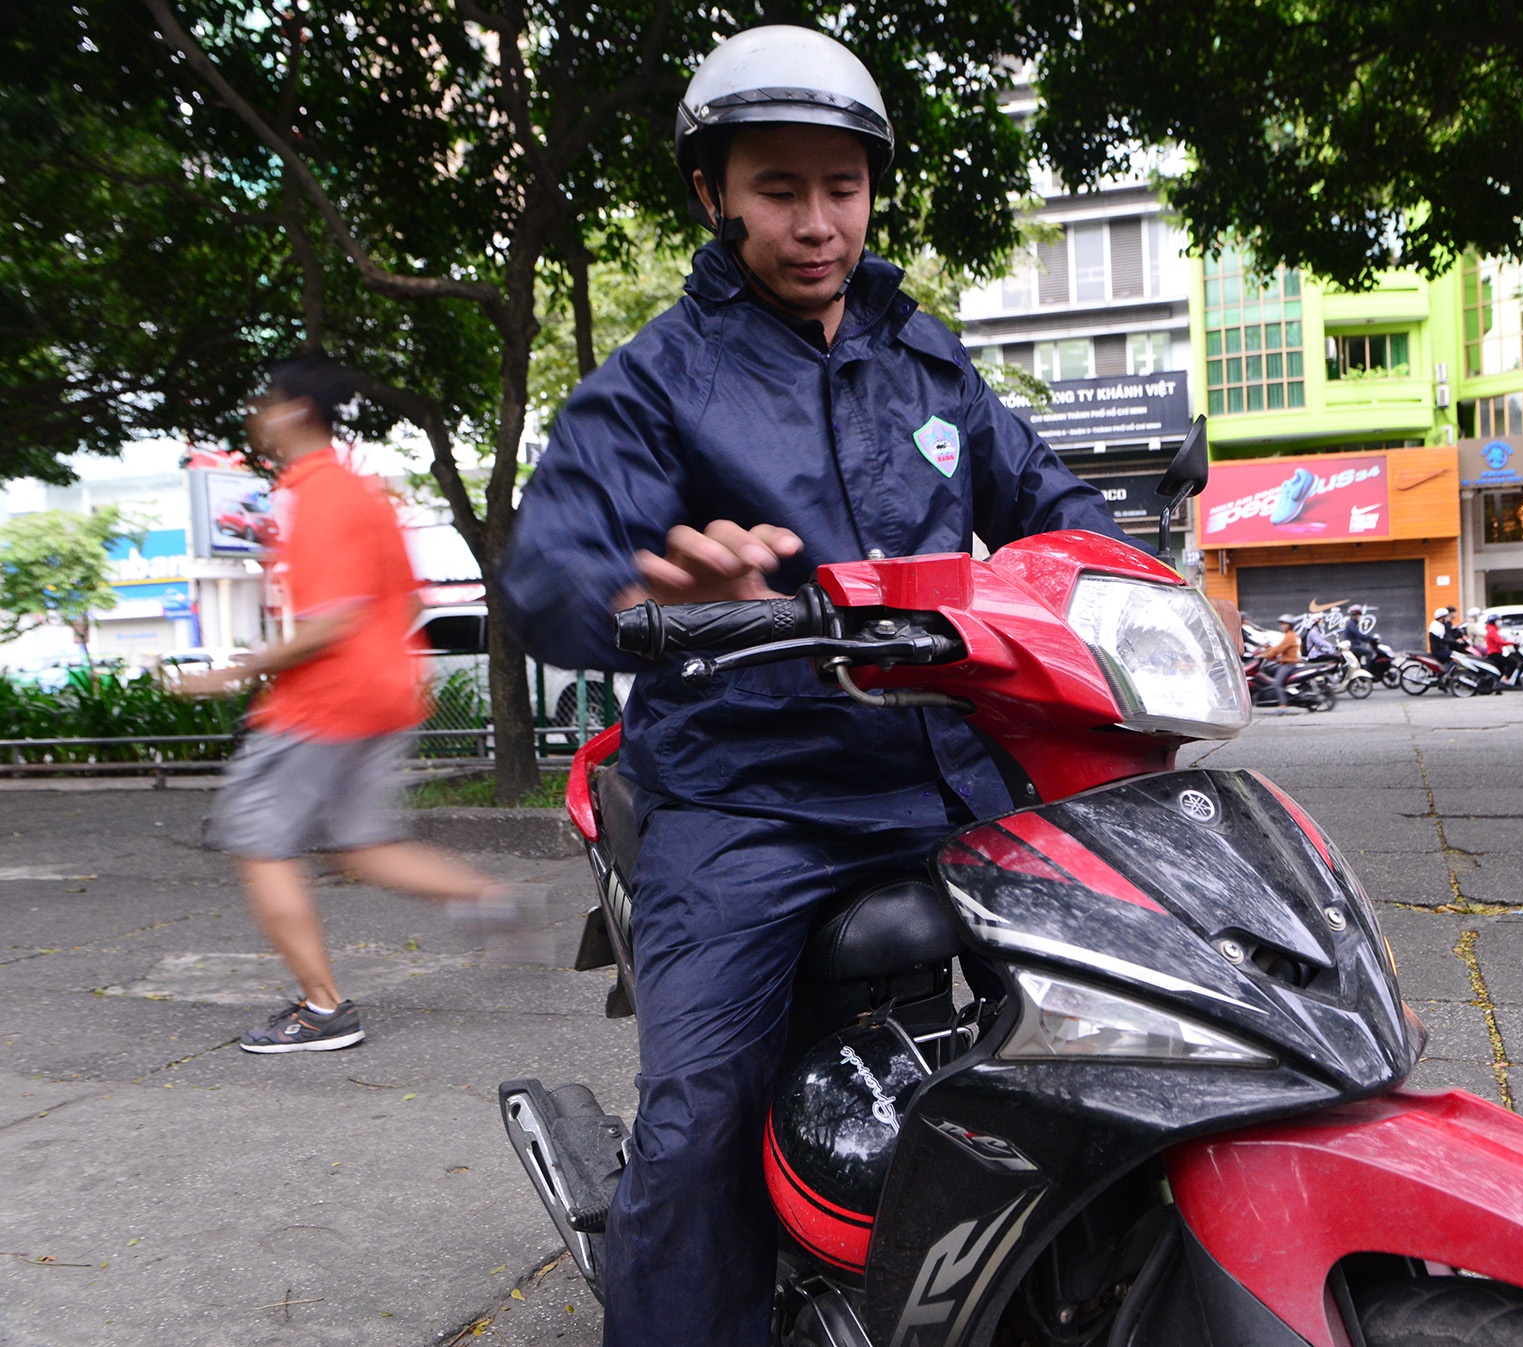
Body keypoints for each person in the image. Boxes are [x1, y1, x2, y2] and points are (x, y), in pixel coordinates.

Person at [493, 27, 1124, 1345]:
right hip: (748, 799)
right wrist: (651, 590)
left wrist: (1135, 591)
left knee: (1130, 1014)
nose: (818, 220)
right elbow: (549, 573)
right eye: (779, 188)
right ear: (713, 194)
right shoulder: (657, 386)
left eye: (842, 186)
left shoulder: (922, 358)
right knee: (697, 1118)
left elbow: (1057, 513)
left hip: (948, 773)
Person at [180, 355, 513, 1054]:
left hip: (320, 703)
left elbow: (328, 621)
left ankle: (323, 1007)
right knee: (363, 845)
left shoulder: (316, 495)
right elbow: (411, 600)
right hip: (385, 694)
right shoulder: (367, 494)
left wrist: (238, 670)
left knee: (258, 842)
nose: (255, 418)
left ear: (295, 411)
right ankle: (492, 898)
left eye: (263, 404)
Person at [1264, 616, 1304, 708]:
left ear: (1290, 625)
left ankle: (1283, 704)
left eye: (1284, 624)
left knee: (1278, 684)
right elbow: (1278, 648)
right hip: (1284, 663)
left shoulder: (1290, 636)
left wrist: (1266, 655)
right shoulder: (1289, 635)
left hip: (1289, 664)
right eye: (1281, 624)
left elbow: (1279, 649)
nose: (1282, 626)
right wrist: (1268, 649)